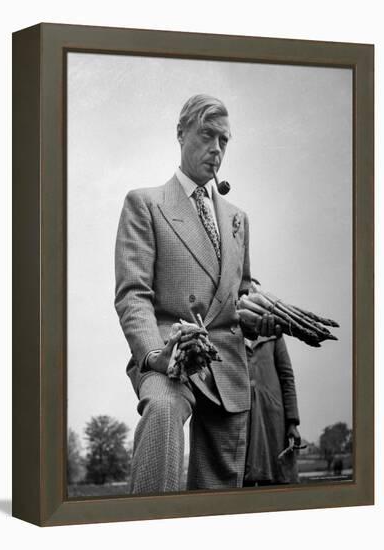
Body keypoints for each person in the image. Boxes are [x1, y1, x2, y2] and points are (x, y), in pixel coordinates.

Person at [114, 94, 279, 493]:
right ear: (180, 133)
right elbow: (133, 294)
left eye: (224, 140)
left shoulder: (239, 219)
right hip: (170, 355)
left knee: (218, 495)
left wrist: (256, 316)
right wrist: (155, 355)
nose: (217, 149)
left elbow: (240, 293)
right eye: (207, 135)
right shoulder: (145, 204)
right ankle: (145, 523)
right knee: (164, 411)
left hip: (227, 367)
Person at [244, 332, 301, 486]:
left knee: (278, 478)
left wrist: (292, 422)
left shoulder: (273, 334)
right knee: (241, 481)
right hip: (241, 418)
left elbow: (287, 376)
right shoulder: (229, 328)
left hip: (273, 419)